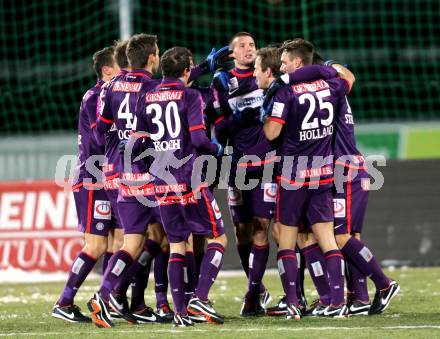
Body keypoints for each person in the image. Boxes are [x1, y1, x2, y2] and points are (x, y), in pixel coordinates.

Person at [132, 46, 227, 327]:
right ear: (187, 70)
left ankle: (180, 312)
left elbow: (137, 143)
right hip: (189, 180)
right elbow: (199, 141)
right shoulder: (191, 96)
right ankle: (199, 296)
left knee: (176, 246)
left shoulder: (146, 97)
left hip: (162, 182)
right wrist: (217, 149)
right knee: (218, 238)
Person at [262, 38, 353, 319]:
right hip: (323, 173)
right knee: (327, 238)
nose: (282, 67)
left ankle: (292, 301)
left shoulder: (286, 93)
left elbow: (272, 133)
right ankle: (338, 302)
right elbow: (348, 76)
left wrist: (267, 113)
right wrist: (325, 69)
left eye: (286, 62)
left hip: (293, 176)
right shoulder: (331, 86)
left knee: (286, 240)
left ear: (298, 63)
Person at [88, 33, 165, 327]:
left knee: (133, 241)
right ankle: (183, 302)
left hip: (123, 175)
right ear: (151, 57)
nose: (157, 57)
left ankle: (107, 295)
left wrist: (120, 142)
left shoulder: (110, 87)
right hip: (150, 176)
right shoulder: (152, 88)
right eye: (156, 52)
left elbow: (99, 132)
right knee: (176, 236)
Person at [51, 46, 120, 323]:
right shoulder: (95, 97)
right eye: (119, 65)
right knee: (96, 245)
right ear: (106, 70)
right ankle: (64, 302)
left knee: (121, 240)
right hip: (93, 179)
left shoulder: (111, 95)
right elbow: (99, 139)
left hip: (109, 177)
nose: (125, 70)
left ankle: (110, 299)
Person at [212, 32, 274, 315]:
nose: (249, 49)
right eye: (242, 46)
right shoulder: (223, 81)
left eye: (252, 44)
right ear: (232, 53)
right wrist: (239, 117)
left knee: (262, 226)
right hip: (237, 164)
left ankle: (251, 295)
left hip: (267, 163)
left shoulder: (270, 75)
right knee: (242, 230)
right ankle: (256, 285)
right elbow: (219, 128)